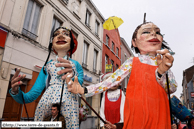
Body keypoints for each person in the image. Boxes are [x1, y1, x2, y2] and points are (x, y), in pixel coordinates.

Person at [67, 22, 178, 129]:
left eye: (157, 32)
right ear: (134, 42)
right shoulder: (132, 61)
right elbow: (110, 81)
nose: (153, 34)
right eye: (146, 32)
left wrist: (161, 72)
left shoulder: (164, 62)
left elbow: (172, 88)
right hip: (137, 117)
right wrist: (84, 90)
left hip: (160, 115)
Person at [10, 26, 83, 128]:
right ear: (52, 43)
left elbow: (79, 87)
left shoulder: (76, 65)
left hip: (69, 101)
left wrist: (72, 77)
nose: (61, 35)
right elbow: (29, 97)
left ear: (72, 43)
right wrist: (15, 91)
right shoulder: (47, 66)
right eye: (56, 34)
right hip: (47, 100)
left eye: (66, 34)